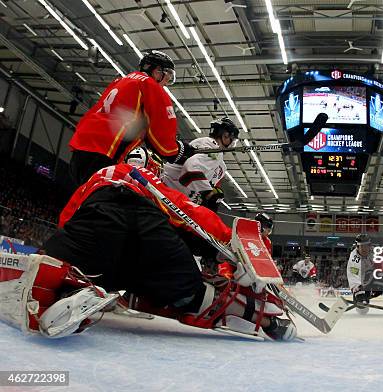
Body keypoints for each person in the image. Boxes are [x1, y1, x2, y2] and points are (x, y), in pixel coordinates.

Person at [36, 153, 296, 340]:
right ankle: (267, 321)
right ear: (151, 167)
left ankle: (72, 291)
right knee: (187, 289)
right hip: (147, 224)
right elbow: (187, 212)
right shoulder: (148, 178)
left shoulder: (96, 178)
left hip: (97, 220)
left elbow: (66, 220)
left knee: (65, 265)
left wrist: (64, 249)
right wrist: (227, 240)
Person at [68, 50, 194, 186]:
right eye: (167, 77)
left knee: (80, 194)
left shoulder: (122, 80)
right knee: (94, 198)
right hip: (104, 149)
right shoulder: (150, 85)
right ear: (157, 70)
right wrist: (178, 150)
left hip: (81, 143)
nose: (165, 83)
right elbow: (161, 136)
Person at [162, 117, 240, 212]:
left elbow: (204, 180)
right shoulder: (213, 147)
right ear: (225, 136)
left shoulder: (219, 162)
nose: (232, 144)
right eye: (232, 140)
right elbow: (191, 169)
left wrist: (212, 192)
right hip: (168, 191)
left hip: (174, 195)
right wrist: (208, 193)